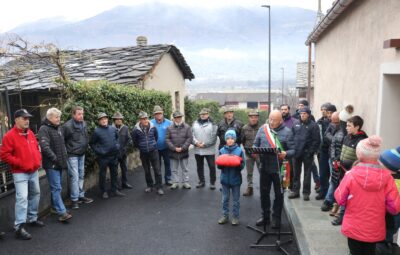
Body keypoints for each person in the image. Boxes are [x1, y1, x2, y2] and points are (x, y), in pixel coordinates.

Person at [334, 136, 400, 255]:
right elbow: (394, 207)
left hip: (353, 226)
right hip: (374, 228)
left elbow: (339, 198)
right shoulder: (388, 178)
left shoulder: (350, 175)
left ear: (359, 155)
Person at [0, 109, 44, 240]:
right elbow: (4, 154)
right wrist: (20, 163)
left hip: (33, 171)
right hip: (20, 173)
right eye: (24, 118)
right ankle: (19, 227)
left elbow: (36, 147)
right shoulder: (9, 136)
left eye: (28, 118)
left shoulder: (30, 133)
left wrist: (37, 159)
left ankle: (32, 218)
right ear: (16, 119)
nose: (27, 120)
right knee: (22, 198)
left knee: (35, 193)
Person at [253, 110, 295, 228]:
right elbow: (255, 144)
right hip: (264, 167)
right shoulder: (263, 129)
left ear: (281, 120)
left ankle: (276, 218)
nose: (271, 122)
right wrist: (254, 151)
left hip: (279, 169)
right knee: (264, 193)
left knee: (279, 195)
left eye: (274, 120)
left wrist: (285, 153)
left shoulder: (287, 132)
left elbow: (294, 150)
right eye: (270, 119)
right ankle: (265, 217)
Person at [331, 116, 367, 226]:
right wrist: (337, 160)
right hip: (342, 171)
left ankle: (342, 217)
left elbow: (360, 159)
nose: (346, 128)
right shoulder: (347, 137)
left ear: (357, 127)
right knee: (342, 194)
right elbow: (342, 151)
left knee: (348, 196)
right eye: (346, 125)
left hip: (352, 174)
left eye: (349, 126)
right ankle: (341, 214)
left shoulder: (362, 141)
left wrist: (351, 170)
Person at [38, 108, 72, 222]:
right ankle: (62, 212)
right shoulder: (44, 129)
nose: (59, 119)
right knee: (56, 188)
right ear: (50, 118)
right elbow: (45, 147)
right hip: (51, 165)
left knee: (56, 187)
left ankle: (54, 208)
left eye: (59, 117)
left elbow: (62, 145)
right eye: (57, 117)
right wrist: (55, 159)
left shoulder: (59, 128)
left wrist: (63, 159)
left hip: (59, 163)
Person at [62, 106, 93, 210]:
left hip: (82, 154)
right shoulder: (67, 126)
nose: (81, 116)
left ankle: (81, 195)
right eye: (79, 114)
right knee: (74, 177)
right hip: (72, 155)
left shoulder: (84, 123)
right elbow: (63, 141)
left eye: (82, 114)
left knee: (81, 175)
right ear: (73, 115)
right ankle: (74, 200)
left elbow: (85, 136)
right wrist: (67, 153)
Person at [90, 113, 125, 199]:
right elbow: (92, 144)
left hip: (113, 156)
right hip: (103, 158)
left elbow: (117, 138)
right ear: (99, 121)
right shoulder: (96, 131)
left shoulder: (113, 129)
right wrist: (100, 151)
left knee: (114, 173)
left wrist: (117, 146)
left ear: (107, 120)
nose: (104, 121)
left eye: (105, 119)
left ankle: (115, 190)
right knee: (102, 175)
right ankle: (103, 191)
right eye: (101, 119)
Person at [289, 106, 321, 201]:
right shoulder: (295, 124)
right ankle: (295, 191)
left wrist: (310, 152)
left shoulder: (313, 125)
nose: (302, 115)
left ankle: (306, 193)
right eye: (301, 114)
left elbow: (316, 141)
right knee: (296, 173)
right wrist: (293, 149)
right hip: (296, 153)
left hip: (307, 154)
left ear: (308, 114)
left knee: (307, 174)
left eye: (304, 114)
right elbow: (291, 137)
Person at [216, 130, 245, 226]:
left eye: (232, 138)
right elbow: (219, 166)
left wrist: (238, 164)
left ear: (235, 139)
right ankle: (225, 216)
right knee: (225, 199)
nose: (230, 140)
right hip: (224, 180)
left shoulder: (239, 151)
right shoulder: (221, 150)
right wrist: (221, 165)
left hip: (236, 180)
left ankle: (235, 217)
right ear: (225, 139)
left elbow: (243, 165)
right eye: (228, 138)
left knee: (236, 200)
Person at [132, 111, 164, 195]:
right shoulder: (135, 130)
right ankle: (150, 186)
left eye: (146, 118)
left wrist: (152, 145)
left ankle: (159, 187)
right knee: (146, 170)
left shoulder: (153, 127)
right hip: (143, 153)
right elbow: (135, 141)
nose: (145, 120)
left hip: (153, 151)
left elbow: (156, 137)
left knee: (157, 170)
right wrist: (141, 147)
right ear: (140, 120)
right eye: (143, 119)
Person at [321, 112, 345, 211]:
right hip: (332, 157)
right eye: (332, 121)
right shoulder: (332, 126)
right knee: (333, 180)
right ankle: (330, 200)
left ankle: (331, 200)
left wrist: (333, 139)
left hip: (341, 159)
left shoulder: (344, 130)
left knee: (336, 181)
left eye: (336, 122)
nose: (333, 124)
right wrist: (333, 139)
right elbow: (325, 135)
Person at [166, 110, 193, 190]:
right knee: (174, 169)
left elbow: (189, 138)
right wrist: (174, 148)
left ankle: (185, 182)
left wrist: (183, 148)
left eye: (179, 117)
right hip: (173, 152)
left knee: (185, 169)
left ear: (181, 117)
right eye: (176, 117)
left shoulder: (187, 127)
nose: (178, 119)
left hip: (183, 151)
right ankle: (175, 182)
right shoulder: (169, 128)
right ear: (174, 118)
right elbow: (167, 139)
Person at [192, 108, 218, 189]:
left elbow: (214, 138)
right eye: (201, 114)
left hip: (209, 150)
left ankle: (212, 182)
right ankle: (201, 181)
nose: (203, 115)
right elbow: (191, 135)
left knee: (212, 166)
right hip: (198, 149)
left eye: (205, 114)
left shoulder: (213, 124)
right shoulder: (194, 123)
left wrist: (205, 144)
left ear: (208, 114)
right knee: (199, 166)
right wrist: (196, 143)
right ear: (199, 115)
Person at [379, 146, 400, 246]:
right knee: (388, 237)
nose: (379, 163)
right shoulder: (395, 178)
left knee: (385, 238)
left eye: (381, 162)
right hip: (393, 217)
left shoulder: (389, 181)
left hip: (390, 217)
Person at [151, 105, 173, 186]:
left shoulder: (169, 122)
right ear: (154, 115)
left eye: (160, 113)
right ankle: (158, 181)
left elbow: (173, 134)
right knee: (157, 165)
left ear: (163, 113)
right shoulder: (151, 123)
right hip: (155, 149)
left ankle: (168, 179)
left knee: (167, 163)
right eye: (157, 114)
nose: (159, 115)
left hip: (166, 148)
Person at [241, 109, 261, 196]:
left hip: (259, 154)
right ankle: (250, 188)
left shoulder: (261, 128)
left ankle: (263, 187)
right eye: (252, 117)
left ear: (258, 118)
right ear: (249, 118)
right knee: (249, 172)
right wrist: (246, 149)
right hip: (249, 154)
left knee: (262, 171)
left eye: (255, 117)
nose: (253, 119)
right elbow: (242, 140)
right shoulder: (244, 128)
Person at [112, 112, 133, 189]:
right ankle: (116, 185)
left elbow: (129, 139)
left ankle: (125, 183)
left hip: (123, 153)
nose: (119, 120)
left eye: (120, 119)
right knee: (115, 170)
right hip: (115, 153)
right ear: (114, 120)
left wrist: (125, 148)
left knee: (124, 169)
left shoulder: (125, 128)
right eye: (117, 119)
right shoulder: (111, 129)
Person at [316, 103, 332, 200]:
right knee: (322, 173)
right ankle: (323, 190)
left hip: (331, 152)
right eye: (322, 109)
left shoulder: (335, 123)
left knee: (329, 174)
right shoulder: (320, 122)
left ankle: (327, 192)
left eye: (326, 110)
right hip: (322, 150)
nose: (324, 111)